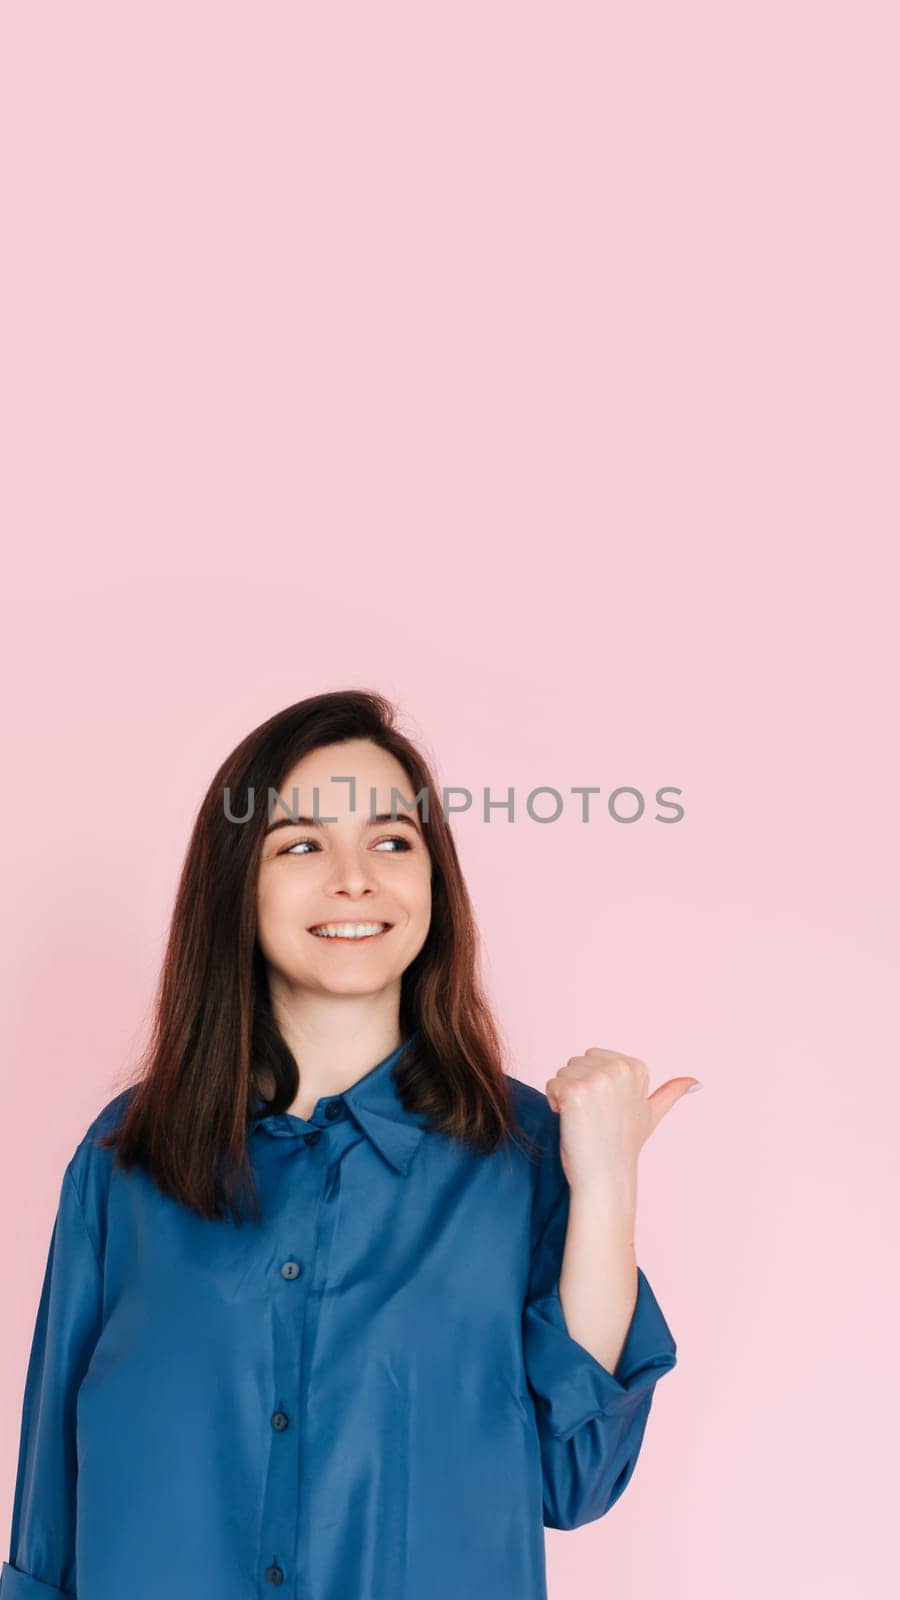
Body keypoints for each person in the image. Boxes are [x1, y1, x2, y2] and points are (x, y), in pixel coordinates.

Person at [0, 688, 694, 1600]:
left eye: (392, 841)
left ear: (433, 881)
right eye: (300, 844)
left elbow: (577, 1481)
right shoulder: (126, 1157)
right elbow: (49, 1500)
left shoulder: (526, 1155)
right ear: (234, 885)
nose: (354, 877)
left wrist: (605, 1191)